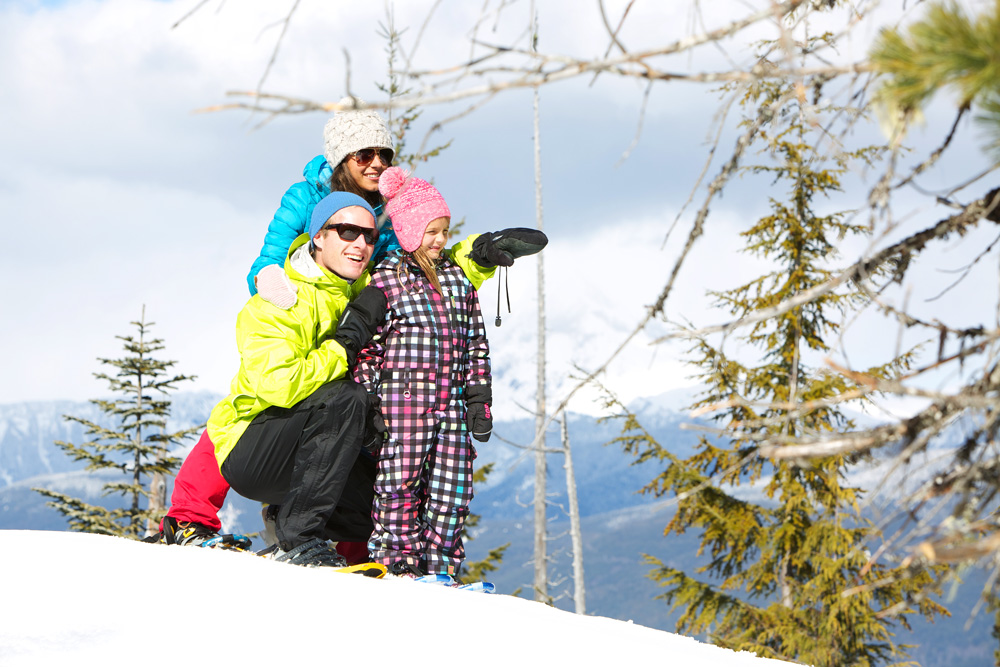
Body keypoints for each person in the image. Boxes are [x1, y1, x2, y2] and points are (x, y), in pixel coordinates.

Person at [151, 100, 546, 555]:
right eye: (364, 155)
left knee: (361, 426)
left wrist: (474, 257)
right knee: (252, 398)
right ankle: (188, 516)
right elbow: (273, 251)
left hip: (356, 316)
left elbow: (417, 266)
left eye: (384, 155)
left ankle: (355, 547)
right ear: (342, 160)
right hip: (300, 304)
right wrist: (273, 285)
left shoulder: (391, 210)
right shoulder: (305, 198)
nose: (376, 163)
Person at [206, 192, 386, 566]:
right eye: (348, 231)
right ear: (318, 236)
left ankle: (287, 520)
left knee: (387, 504)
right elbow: (279, 385)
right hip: (253, 448)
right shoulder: (280, 296)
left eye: (369, 236)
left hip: (313, 448)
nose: (361, 244)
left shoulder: (366, 289)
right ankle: (297, 540)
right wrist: (345, 342)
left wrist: (477, 258)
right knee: (345, 398)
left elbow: (430, 269)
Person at [355, 167, 510, 580]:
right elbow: (369, 350)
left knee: (452, 489)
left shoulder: (459, 282)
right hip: (403, 407)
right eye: (431, 231)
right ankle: (398, 560)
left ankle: (442, 566)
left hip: (453, 408)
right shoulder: (387, 280)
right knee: (399, 485)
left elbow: (476, 344)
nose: (441, 240)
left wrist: (478, 398)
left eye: (445, 230)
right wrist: (368, 400)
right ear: (407, 231)